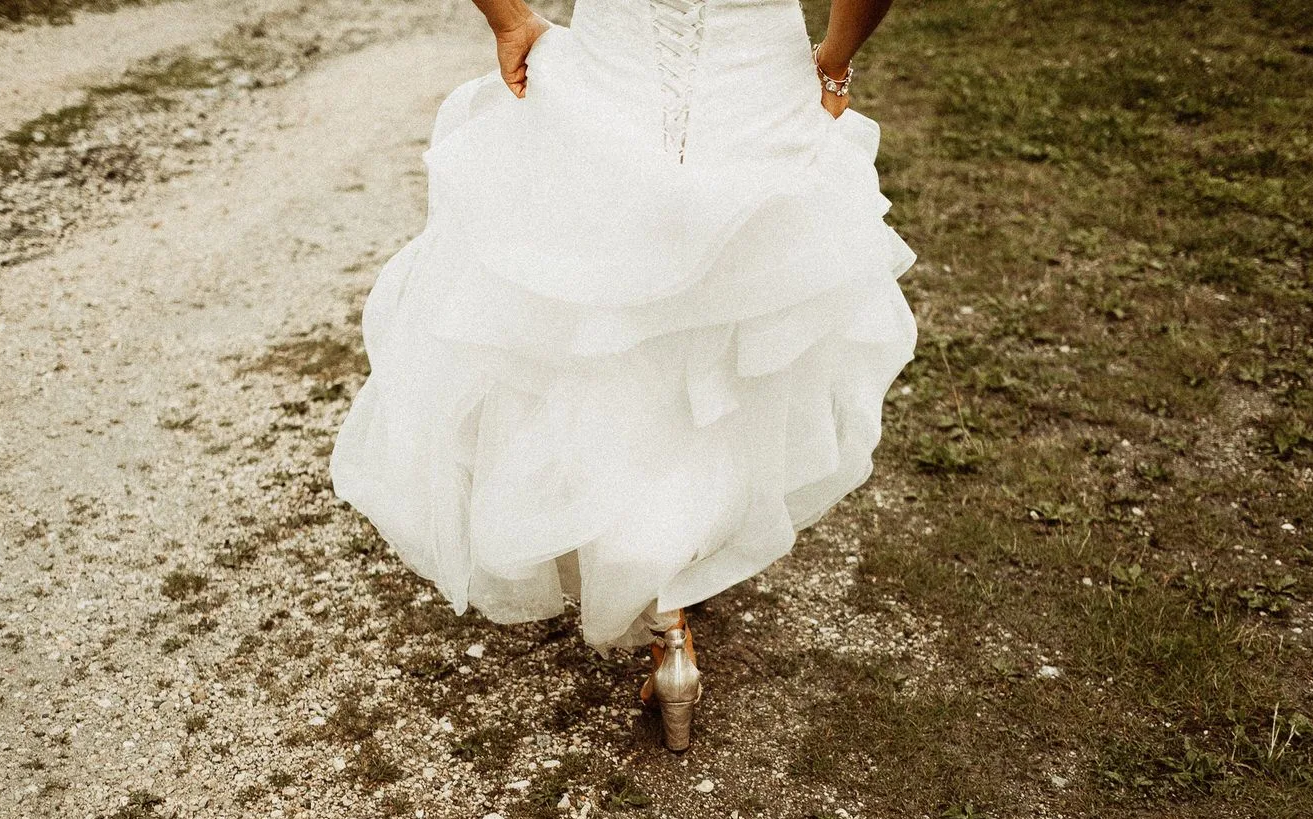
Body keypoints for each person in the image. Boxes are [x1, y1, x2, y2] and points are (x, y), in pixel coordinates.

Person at [331, 0, 914, 752]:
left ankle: (661, 615)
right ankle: (670, 591)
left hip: (612, 70)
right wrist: (835, 58)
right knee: (719, 329)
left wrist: (509, 20)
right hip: (758, 82)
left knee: (606, 331)